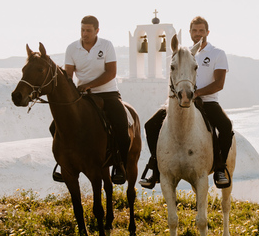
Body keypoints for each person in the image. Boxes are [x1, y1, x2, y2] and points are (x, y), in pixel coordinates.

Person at [139, 16, 233, 190]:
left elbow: (219, 83)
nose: (198, 34)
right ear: (190, 33)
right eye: (195, 31)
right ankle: (156, 166)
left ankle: (220, 167)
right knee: (150, 125)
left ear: (207, 33)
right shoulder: (183, 53)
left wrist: (196, 93)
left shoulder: (217, 54)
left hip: (207, 102)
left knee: (226, 126)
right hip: (180, 100)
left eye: (201, 31)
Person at [54, 15, 130, 185]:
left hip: (107, 93)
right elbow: (68, 75)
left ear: (97, 31)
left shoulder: (107, 45)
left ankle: (119, 166)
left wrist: (88, 85)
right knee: (56, 126)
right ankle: (62, 163)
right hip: (83, 96)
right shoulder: (72, 48)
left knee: (121, 125)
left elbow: (111, 73)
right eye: (82, 30)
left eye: (88, 30)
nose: (84, 33)